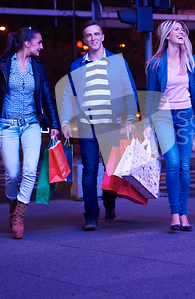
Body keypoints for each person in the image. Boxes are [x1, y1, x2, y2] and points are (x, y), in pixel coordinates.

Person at [0, 26, 60, 239]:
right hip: (7, 126)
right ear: (27, 44)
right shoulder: (3, 65)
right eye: (39, 42)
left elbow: (47, 95)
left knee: (30, 169)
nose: (42, 46)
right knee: (12, 174)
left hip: (31, 125)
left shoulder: (38, 67)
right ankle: (12, 205)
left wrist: (54, 124)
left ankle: (19, 213)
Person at [60, 20, 138, 231]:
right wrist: (65, 121)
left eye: (97, 34)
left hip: (112, 124)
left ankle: (109, 204)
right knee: (89, 169)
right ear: (85, 40)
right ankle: (91, 215)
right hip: (87, 125)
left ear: (102, 36)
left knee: (111, 169)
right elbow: (69, 96)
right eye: (89, 35)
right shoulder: (77, 66)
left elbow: (129, 90)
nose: (93, 38)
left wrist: (130, 118)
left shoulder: (116, 62)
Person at [143, 20, 195, 231]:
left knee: (185, 167)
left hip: (186, 115)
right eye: (176, 29)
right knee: (173, 163)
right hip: (163, 116)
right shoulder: (156, 63)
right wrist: (148, 124)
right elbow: (152, 95)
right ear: (167, 35)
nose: (182, 32)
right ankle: (174, 214)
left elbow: (194, 89)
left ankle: (184, 213)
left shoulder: (190, 59)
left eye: (182, 29)